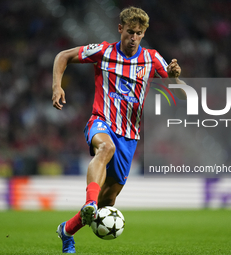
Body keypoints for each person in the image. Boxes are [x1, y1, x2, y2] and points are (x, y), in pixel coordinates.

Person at [52, 6, 184, 253]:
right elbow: (63, 56)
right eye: (130, 32)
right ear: (120, 29)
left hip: (130, 135)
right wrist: (57, 86)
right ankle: (90, 202)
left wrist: (175, 77)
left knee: (108, 201)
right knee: (105, 147)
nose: (133, 37)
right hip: (101, 121)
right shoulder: (102, 51)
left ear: (144, 34)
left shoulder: (152, 58)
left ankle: (67, 230)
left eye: (139, 33)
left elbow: (180, 92)